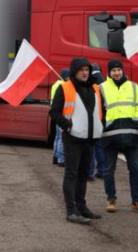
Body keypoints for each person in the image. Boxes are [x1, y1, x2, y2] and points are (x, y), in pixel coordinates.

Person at [49, 57, 105, 225]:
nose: (85, 73)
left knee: (83, 174)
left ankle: (82, 207)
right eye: (81, 70)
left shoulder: (95, 87)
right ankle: (71, 210)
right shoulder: (64, 87)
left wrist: (101, 125)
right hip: (73, 137)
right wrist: (68, 126)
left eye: (87, 70)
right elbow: (54, 112)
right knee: (71, 174)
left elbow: (101, 110)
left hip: (89, 138)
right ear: (74, 71)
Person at [99, 59, 138, 214]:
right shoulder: (102, 88)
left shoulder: (133, 87)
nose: (116, 73)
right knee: (109, 169)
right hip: (110, 135)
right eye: (113, 70)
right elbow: (98, 110)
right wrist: (105, 124)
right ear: (108, 72)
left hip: (131, 134)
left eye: (118, 70)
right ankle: (111, 199)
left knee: (135, 169)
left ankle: (137, 201)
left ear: (122, 71)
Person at [89, 63, 106, 180]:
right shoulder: (106, 83)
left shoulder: (90, 83)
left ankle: (90, 172)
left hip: (93, 118)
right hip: (104, 118)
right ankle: (102, 170)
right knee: (100, 146)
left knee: (91, 146)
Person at [51, 68, 70, 167]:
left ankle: (55, 156)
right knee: (62, 138)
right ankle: (61, 159)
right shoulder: (62, 85)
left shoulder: (55, 84)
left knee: (57, 137)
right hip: (61, 114)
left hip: (55, 113)